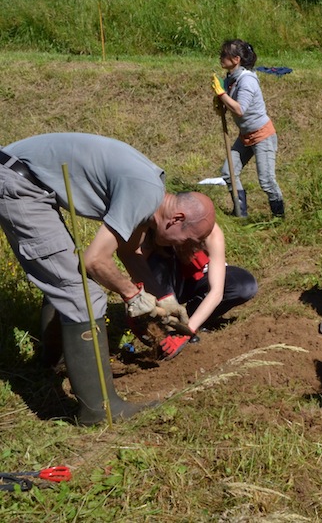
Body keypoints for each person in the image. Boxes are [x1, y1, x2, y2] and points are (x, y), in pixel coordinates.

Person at [0, 133, 216, 424]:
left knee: (65, 274)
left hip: (25, 176)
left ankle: (54, 362)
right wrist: (133, 296)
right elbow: (94, 260)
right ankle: (99, 411)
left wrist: (165, 299)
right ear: (176, 219)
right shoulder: (144, 191)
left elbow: (128, 251)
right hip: (18, 182)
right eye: (187, 238)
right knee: (82, 293)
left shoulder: (153, 191)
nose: (182, 246)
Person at [141, 222, 258, 360]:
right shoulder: (151, 229)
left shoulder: (209, 230)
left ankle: (193, 317)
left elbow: (216, 291)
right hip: (165, 285)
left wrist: (186, 331)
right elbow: (138, 267)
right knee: (157, 261)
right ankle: (168, 327)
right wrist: (134, 300)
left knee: (244, 285)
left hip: (199, 278)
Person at [212, 39, 285, 219]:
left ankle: (279, 218)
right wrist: (220, 101)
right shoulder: (231, 78)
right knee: (228, 172)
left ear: (236, 59)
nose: (220, 58)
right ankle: (241, 213)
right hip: (245, 135)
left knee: (266, 181)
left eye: (224, 55)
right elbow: (230, 104)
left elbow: (239, 109)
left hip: (262, 135)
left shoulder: (247, 81)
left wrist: (222, 95)